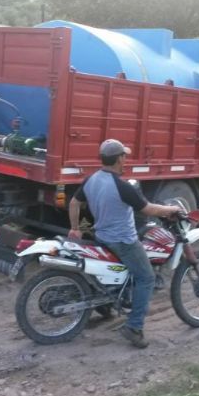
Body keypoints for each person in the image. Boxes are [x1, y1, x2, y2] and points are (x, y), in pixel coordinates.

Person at [68, 139, 181, 348]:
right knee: (146, 277)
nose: (126, 159)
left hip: (101, 235)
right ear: (119, 158)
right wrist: (171, 210)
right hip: (122, 240)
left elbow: (75, 202)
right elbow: (148, 210)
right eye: (125, 156)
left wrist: (75, 227)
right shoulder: (121, 186)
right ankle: (134, 327)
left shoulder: (91, 179)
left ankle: (107, 304)